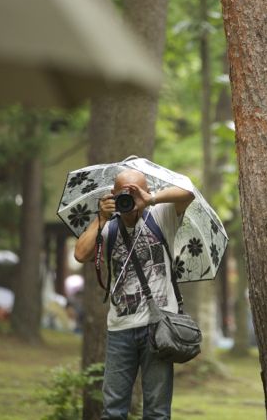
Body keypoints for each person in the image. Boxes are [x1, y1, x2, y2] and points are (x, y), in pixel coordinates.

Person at [74, 168, 194, 420]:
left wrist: (150, 199)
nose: (129, 199)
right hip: (120, 328)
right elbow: (80, 254)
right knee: (113, 410)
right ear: (113, 195)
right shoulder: (107, 228)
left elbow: (188, 192)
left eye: (135, 191)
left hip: (158, 328)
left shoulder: (161, 216)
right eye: (123, 194)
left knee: (157, 412)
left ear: (147, 191)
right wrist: (100, 218)